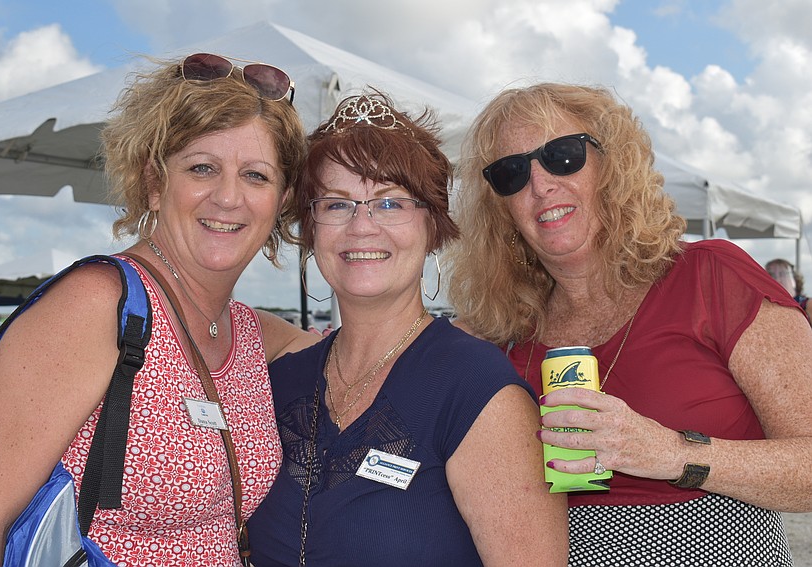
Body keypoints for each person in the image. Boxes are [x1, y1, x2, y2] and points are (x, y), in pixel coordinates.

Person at [0, 53, 318, 565]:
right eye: (202, 168)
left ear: (282, 199)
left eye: (257, 176)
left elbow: (367, 358)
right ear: (154, 183)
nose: (228, 197)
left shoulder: (248, 332)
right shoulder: (97, 304)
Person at [444, 82, 812, 565]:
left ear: (612, 165)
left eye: (563, 155)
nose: (539, 184)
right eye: (511, 172)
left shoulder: (711, 277)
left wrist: (671, 454)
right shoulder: (502, 333)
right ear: (502, 209)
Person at [246, 91, 568, 566]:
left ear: (433, 225)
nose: (362, 226)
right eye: (337, 205)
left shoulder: (477, 389)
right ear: (311, 228)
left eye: (390, 203)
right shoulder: (279, 383)